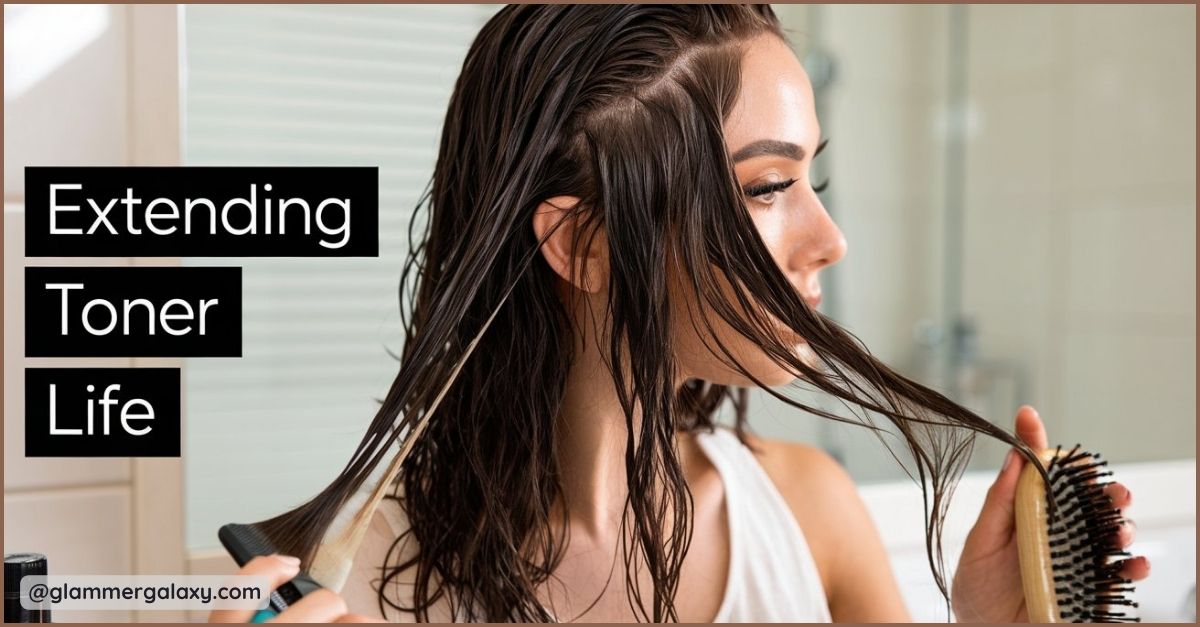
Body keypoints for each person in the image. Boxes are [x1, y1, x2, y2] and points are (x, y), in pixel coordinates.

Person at [210, 5, 1148, 623]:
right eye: (771, 186)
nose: (830, 238)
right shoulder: (347, 582)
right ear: (582, 245)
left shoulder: (809, 514)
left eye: (812, 176)